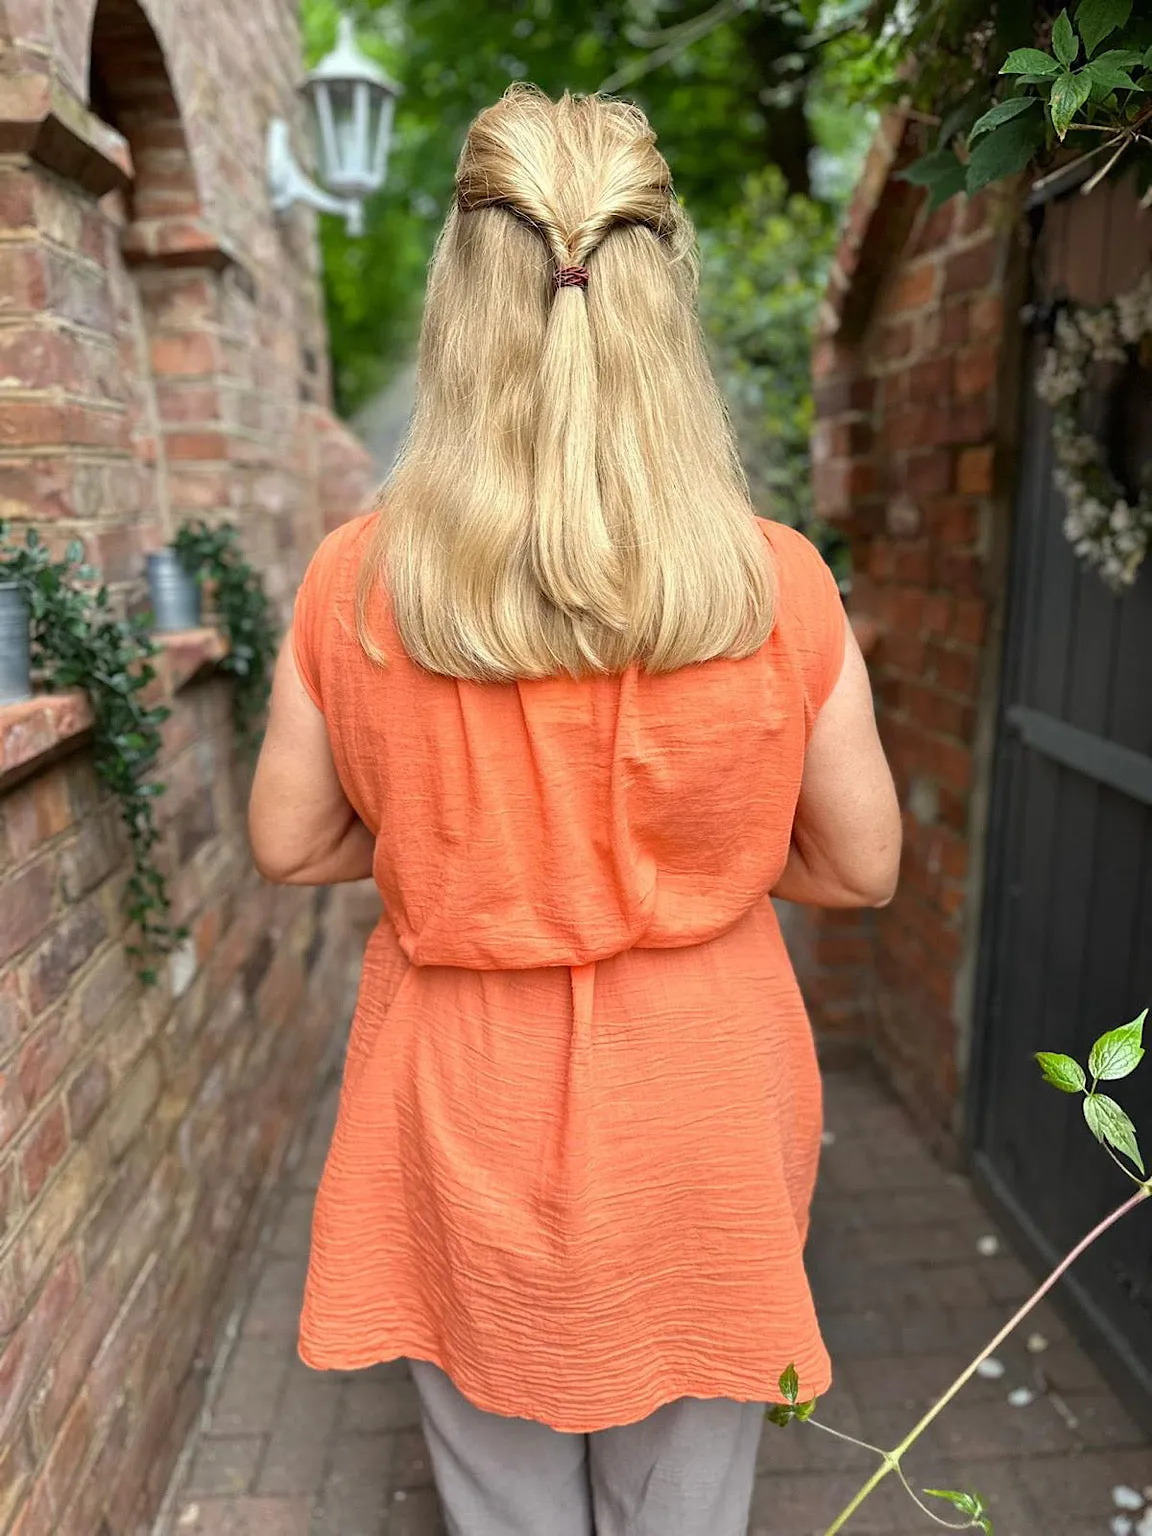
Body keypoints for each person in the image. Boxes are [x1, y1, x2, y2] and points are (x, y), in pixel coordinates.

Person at [248, 85, 900, 1536]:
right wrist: (711, 860)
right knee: (689, 1501)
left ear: (460, 301)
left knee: (502, 1498)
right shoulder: (774, 580)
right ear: (663, 294)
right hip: (705, 1100)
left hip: (459, 1090)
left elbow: (289, 840)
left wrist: (445, 843)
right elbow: (862, 867)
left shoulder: (358, 582)